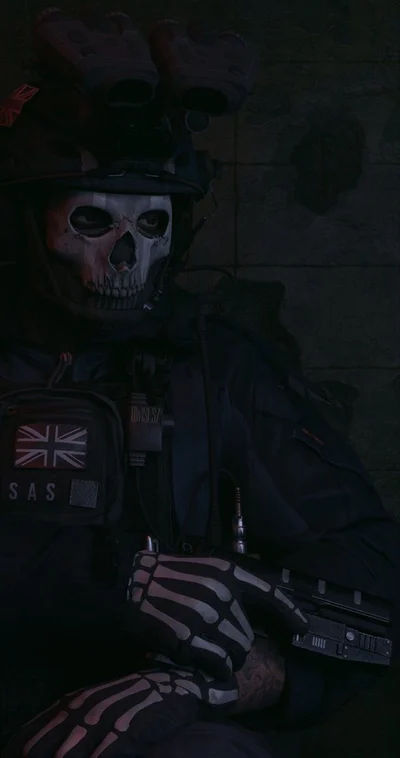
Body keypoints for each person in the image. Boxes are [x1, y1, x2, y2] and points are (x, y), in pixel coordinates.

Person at [0, 10, 398, 758]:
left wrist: (215, 681)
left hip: (155, 709)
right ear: (30, 223)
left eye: (151, 226)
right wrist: (106, 584)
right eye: (92, 221)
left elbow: (369, 566)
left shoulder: (216, 365)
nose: (127, 258)